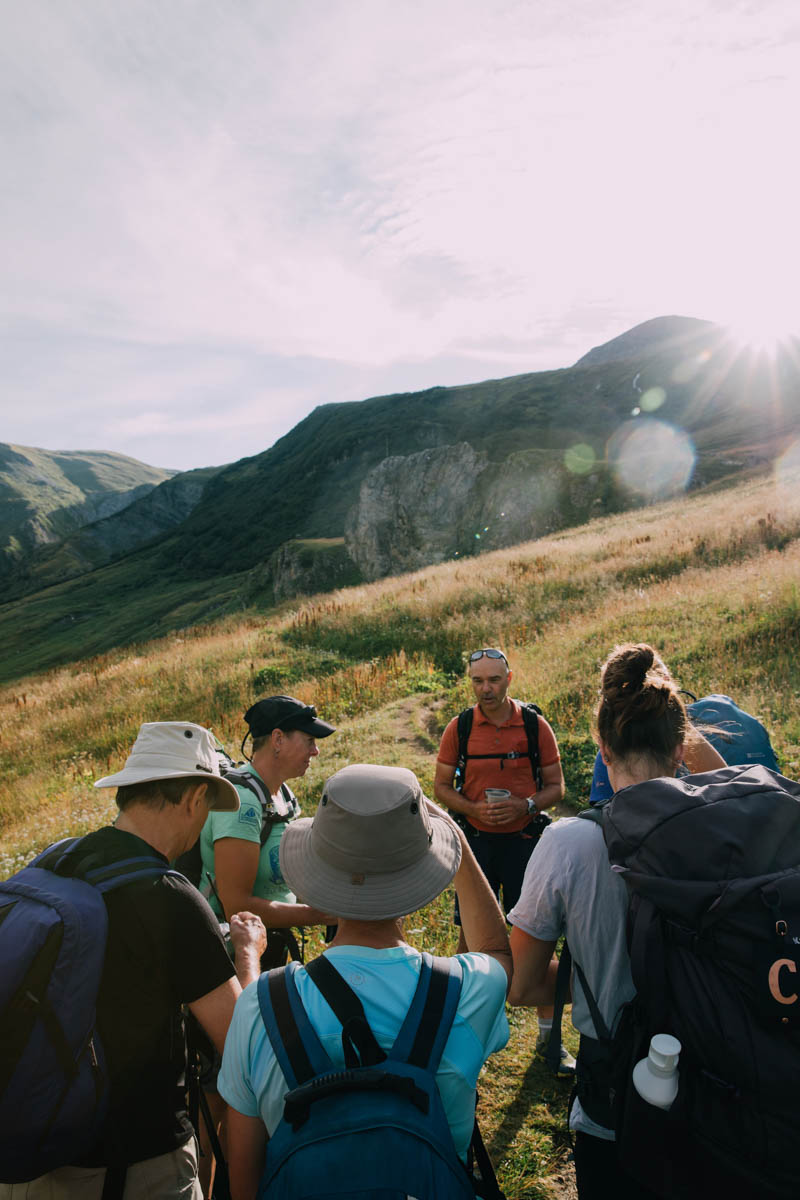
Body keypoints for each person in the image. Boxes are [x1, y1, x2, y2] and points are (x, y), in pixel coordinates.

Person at [218, 763, 512, 1200]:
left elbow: (242, 1175)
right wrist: (459, 845)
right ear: (426, 866)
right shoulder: (465, 991)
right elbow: (496, 952)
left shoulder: (262, 1003)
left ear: (316, 873)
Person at [0, 721, 267, 1200]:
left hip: (31, 1161)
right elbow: (243, 1045)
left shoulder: (57, 862)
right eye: (208, 807)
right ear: (194, 798)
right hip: (136, 1169)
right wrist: (248, 955)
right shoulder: (170, 897)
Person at [507, 644, 726, 1199]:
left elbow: (525, 984)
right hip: (722, 1089)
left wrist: (588, 973)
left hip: (616, 1093)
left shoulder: (570, 843)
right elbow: (735, 782)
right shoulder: (727, 827)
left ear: (602, 750)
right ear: (682, 747)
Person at [434, 646, 572, 1072]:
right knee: (468, 938)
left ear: (509, 678)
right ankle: (459, 1031)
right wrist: (473, 810)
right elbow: (441, 787)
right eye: (478, 681)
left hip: (526, 840)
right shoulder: (459, 727)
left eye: (493, 680)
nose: (485, 688)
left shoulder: (533, 725)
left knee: (537, 934)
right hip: (476, 843)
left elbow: (557, 787)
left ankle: (550, 1044)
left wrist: (525, 806)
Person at [199, 695, 336, 965]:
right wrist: (320, 915)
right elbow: (237, 906)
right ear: (277, 739)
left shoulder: (282, 795)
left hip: (267, 945)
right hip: (231, 958)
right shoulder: (242, 804)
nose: (315, 751)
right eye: (310, 740)